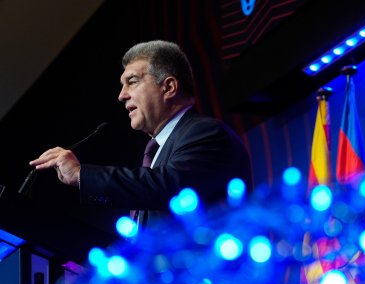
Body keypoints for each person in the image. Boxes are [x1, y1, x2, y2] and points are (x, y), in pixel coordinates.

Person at [28, 40, 252, 230]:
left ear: (169, 87)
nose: (121, 95)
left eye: (132, 82)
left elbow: (168, 187)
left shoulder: (206, 133)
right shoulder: (157, 151)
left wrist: (81, 175)